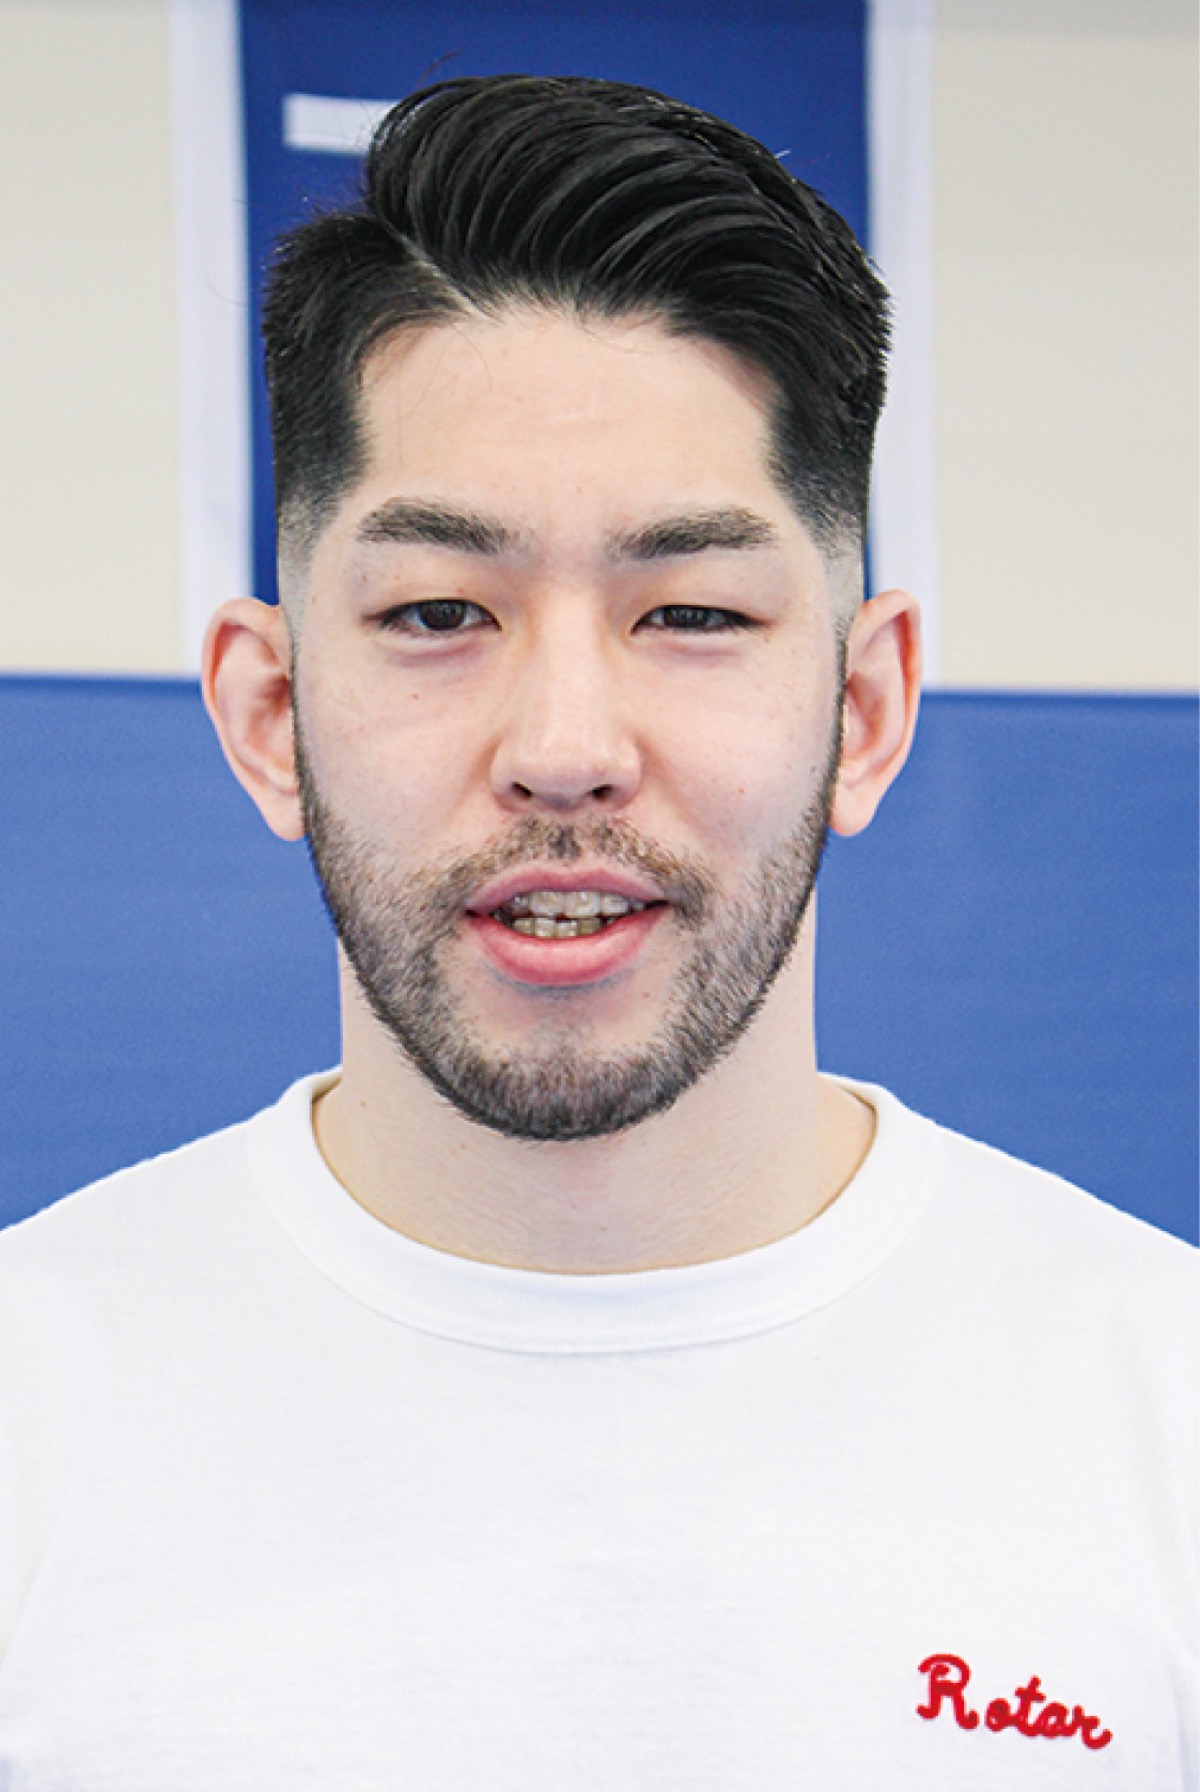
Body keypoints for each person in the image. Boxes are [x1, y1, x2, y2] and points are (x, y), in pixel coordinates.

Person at [0, 74, 1193, 1789]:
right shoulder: (33, 1420)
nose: (564, 746)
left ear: (864, 709)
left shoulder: (1160, 1414)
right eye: (438, 609)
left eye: (691, 611)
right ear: (269, 715)